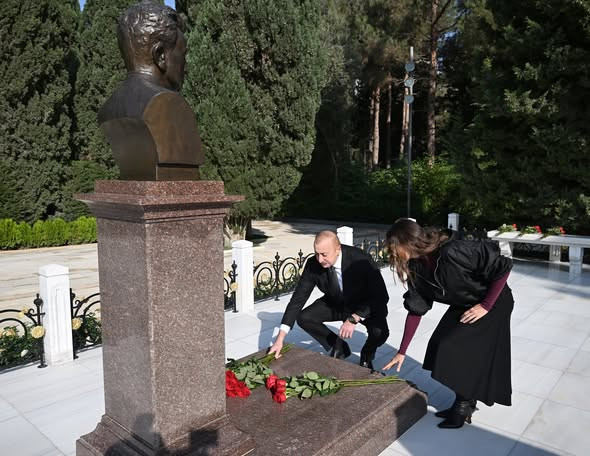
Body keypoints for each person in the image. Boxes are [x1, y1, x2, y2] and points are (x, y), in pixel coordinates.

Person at [383, 218, 513, 429]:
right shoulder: (417, 266)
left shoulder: (452, 250)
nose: (392, 253)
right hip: (465, 303)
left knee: (450, 348)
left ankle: (463, 405)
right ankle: (465, 401)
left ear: (407, 242)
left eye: (393, 247)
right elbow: (416, 309)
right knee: (438, 346)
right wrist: (402, 351)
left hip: (493, 302)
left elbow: (503, 266)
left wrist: (486, 306)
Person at [98, 1, 204, 181]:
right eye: (183, 54)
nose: (186, 64)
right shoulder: (167, 104)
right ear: (160, 55)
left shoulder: (107, 110)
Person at [268, 231, 389, 370]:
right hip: (336, 303)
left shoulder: (360, 260)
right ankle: (340, 347)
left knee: (380, 333)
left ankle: (366, 356)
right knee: (304, 318)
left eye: (324, 254)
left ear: (338, 249)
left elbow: (381, 295)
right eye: (316, 254)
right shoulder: (313, 264)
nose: (320, 259)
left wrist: (354, 318)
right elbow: (298, 299)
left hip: (364, 305)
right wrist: (280, 338)